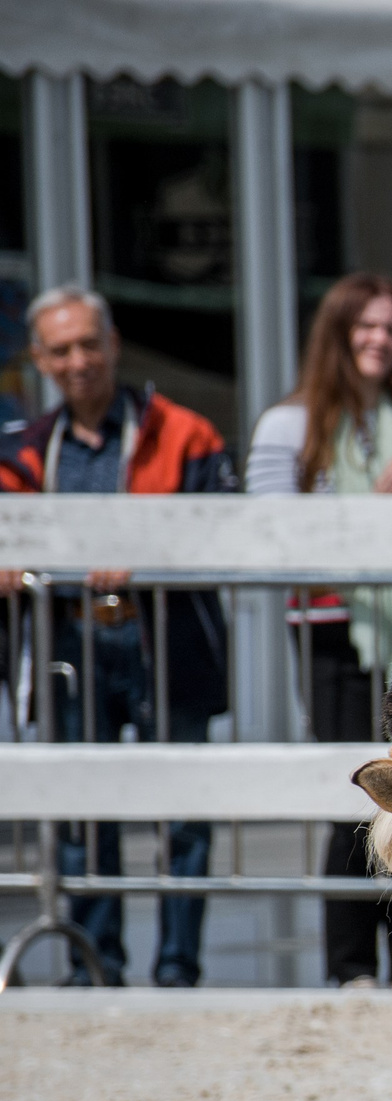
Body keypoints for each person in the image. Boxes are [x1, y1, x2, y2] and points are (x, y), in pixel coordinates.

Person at [247, 272, 392, 988]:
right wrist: (368, 512)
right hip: (330, 629)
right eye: (366, 327)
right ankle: (349, 966)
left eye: (391, 329)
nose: (380, 341)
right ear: (339, 334)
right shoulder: (289, 426)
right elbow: (265, 531)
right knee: (345, 794)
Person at [0, 285, 236, 987]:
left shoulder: (184, 430)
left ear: (113, 346)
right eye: (62, 348)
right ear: (40, 359)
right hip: (70, 646)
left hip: (165, 643)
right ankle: (94, 965)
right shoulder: (24, 451)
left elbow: (223, 522)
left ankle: (177, 967)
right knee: (84, 815)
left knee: (183, 813)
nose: (79, 361)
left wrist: (150, 558)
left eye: (88, 344)